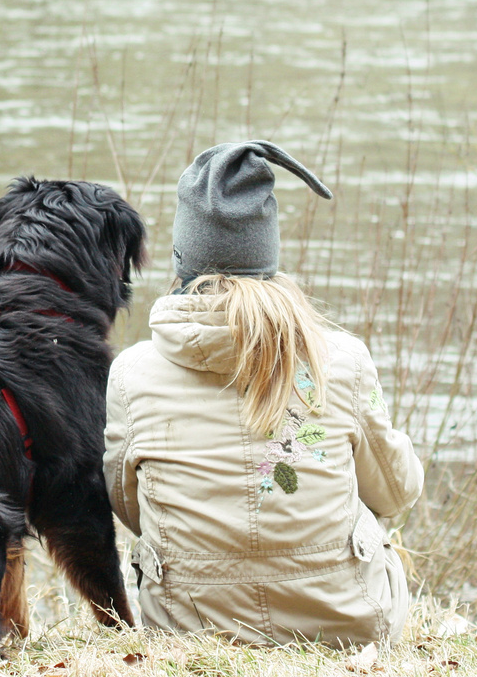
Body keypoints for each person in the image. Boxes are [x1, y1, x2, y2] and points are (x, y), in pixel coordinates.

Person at [103, 141, 424, 647]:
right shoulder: (339, 359)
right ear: (267, 251)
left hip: (187, 626)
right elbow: (396, 492)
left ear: (183, 257)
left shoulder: (131, 373)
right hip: (347, 623)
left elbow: (127, 504)